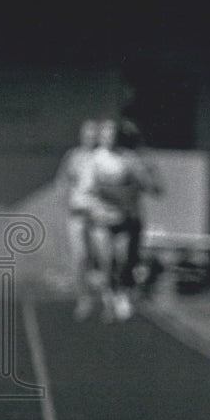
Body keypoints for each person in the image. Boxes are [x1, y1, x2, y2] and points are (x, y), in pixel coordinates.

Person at [81, 117, 162, 322]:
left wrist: (145, 181)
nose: (110, 138)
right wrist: (102, 198)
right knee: (107, 261)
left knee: (124, 258)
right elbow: (86, 190)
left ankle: (122, 293)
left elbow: (150, 186)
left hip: (125, 218)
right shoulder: (94, 159)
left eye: (114, 134)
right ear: (101, 137)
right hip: (101, 218)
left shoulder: (129, 159)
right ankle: (109, 298)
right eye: (106, 134)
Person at [56, 119, 100, 321]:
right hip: (78, 214)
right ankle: (84, 298)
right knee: (80, 257)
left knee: (103, 258)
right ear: (82, 135)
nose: (90, 137)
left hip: (100, 215)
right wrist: (67, 202)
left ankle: (108, 298)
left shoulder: (102, 157)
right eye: (87, 133)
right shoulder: (73, 156)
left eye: (94, 134)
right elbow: (62, 182)